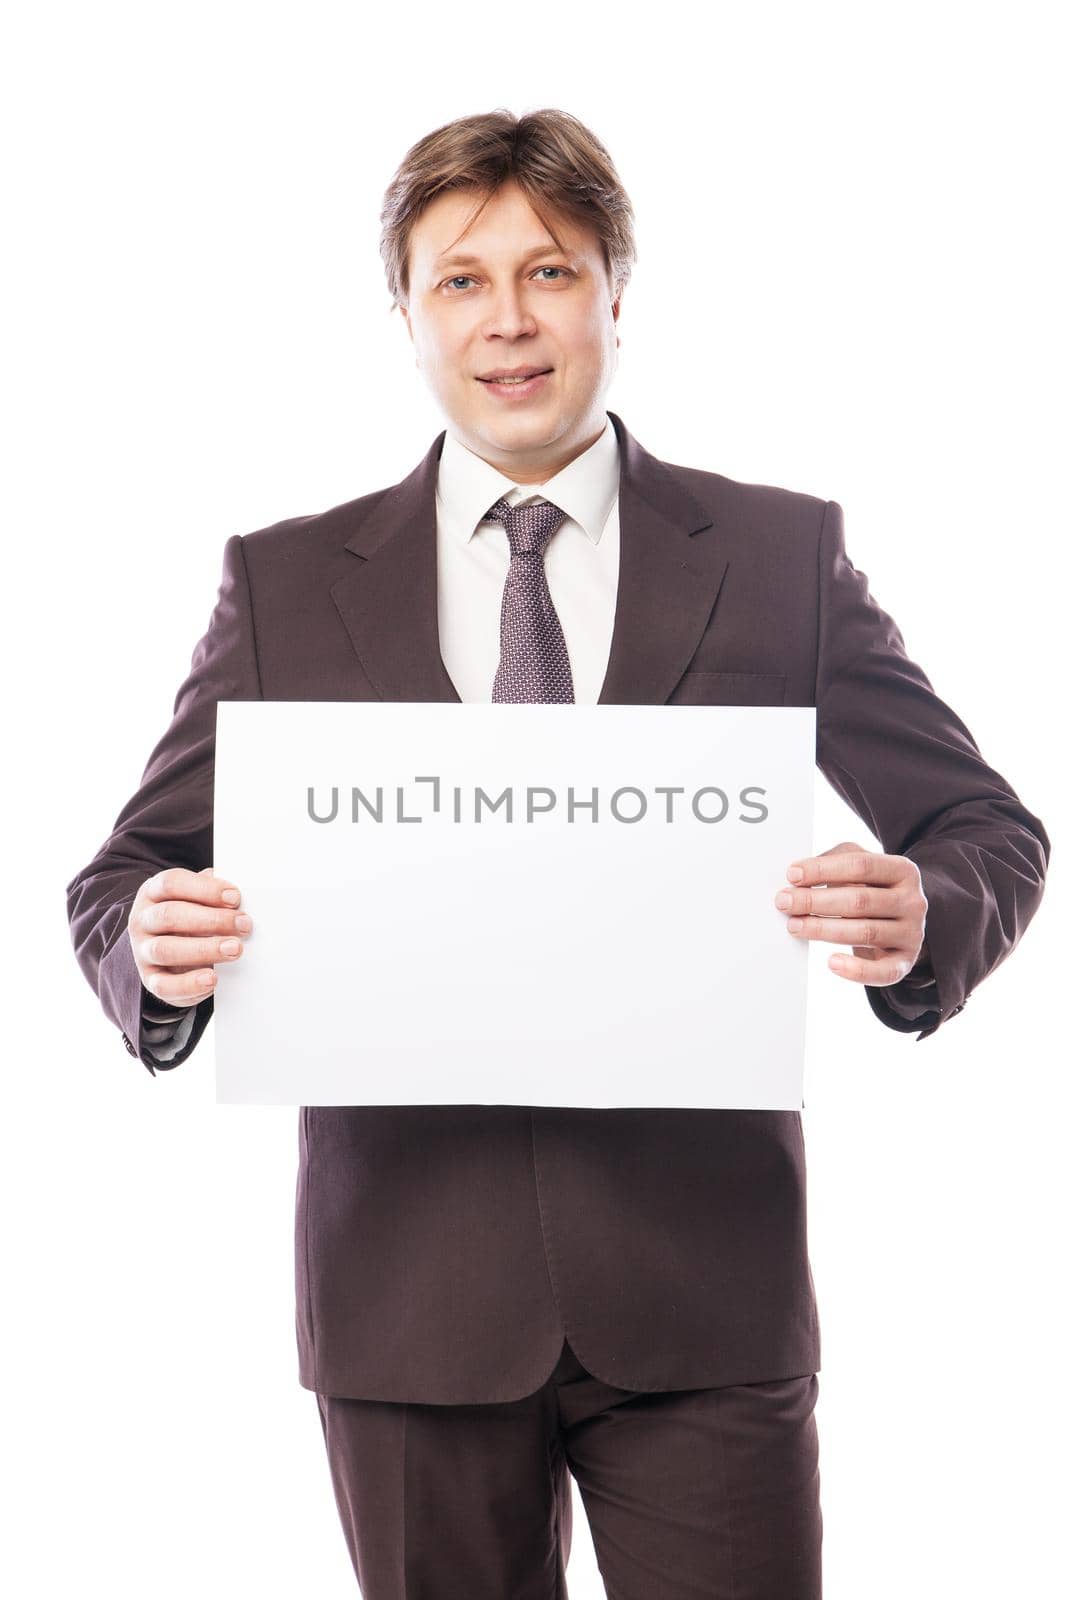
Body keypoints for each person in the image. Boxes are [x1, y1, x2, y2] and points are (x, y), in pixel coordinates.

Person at [65, 107, 1050, 1600]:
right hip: (409, 1299)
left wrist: (925, 911)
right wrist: (154, 945)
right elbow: (121, 876)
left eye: (551, 272)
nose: (509, 321)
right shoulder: (283, 582)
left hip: (703, 1296)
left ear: (614, 289)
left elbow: (988, 831)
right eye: (460, 280)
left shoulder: (777, 557)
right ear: (404, 312)